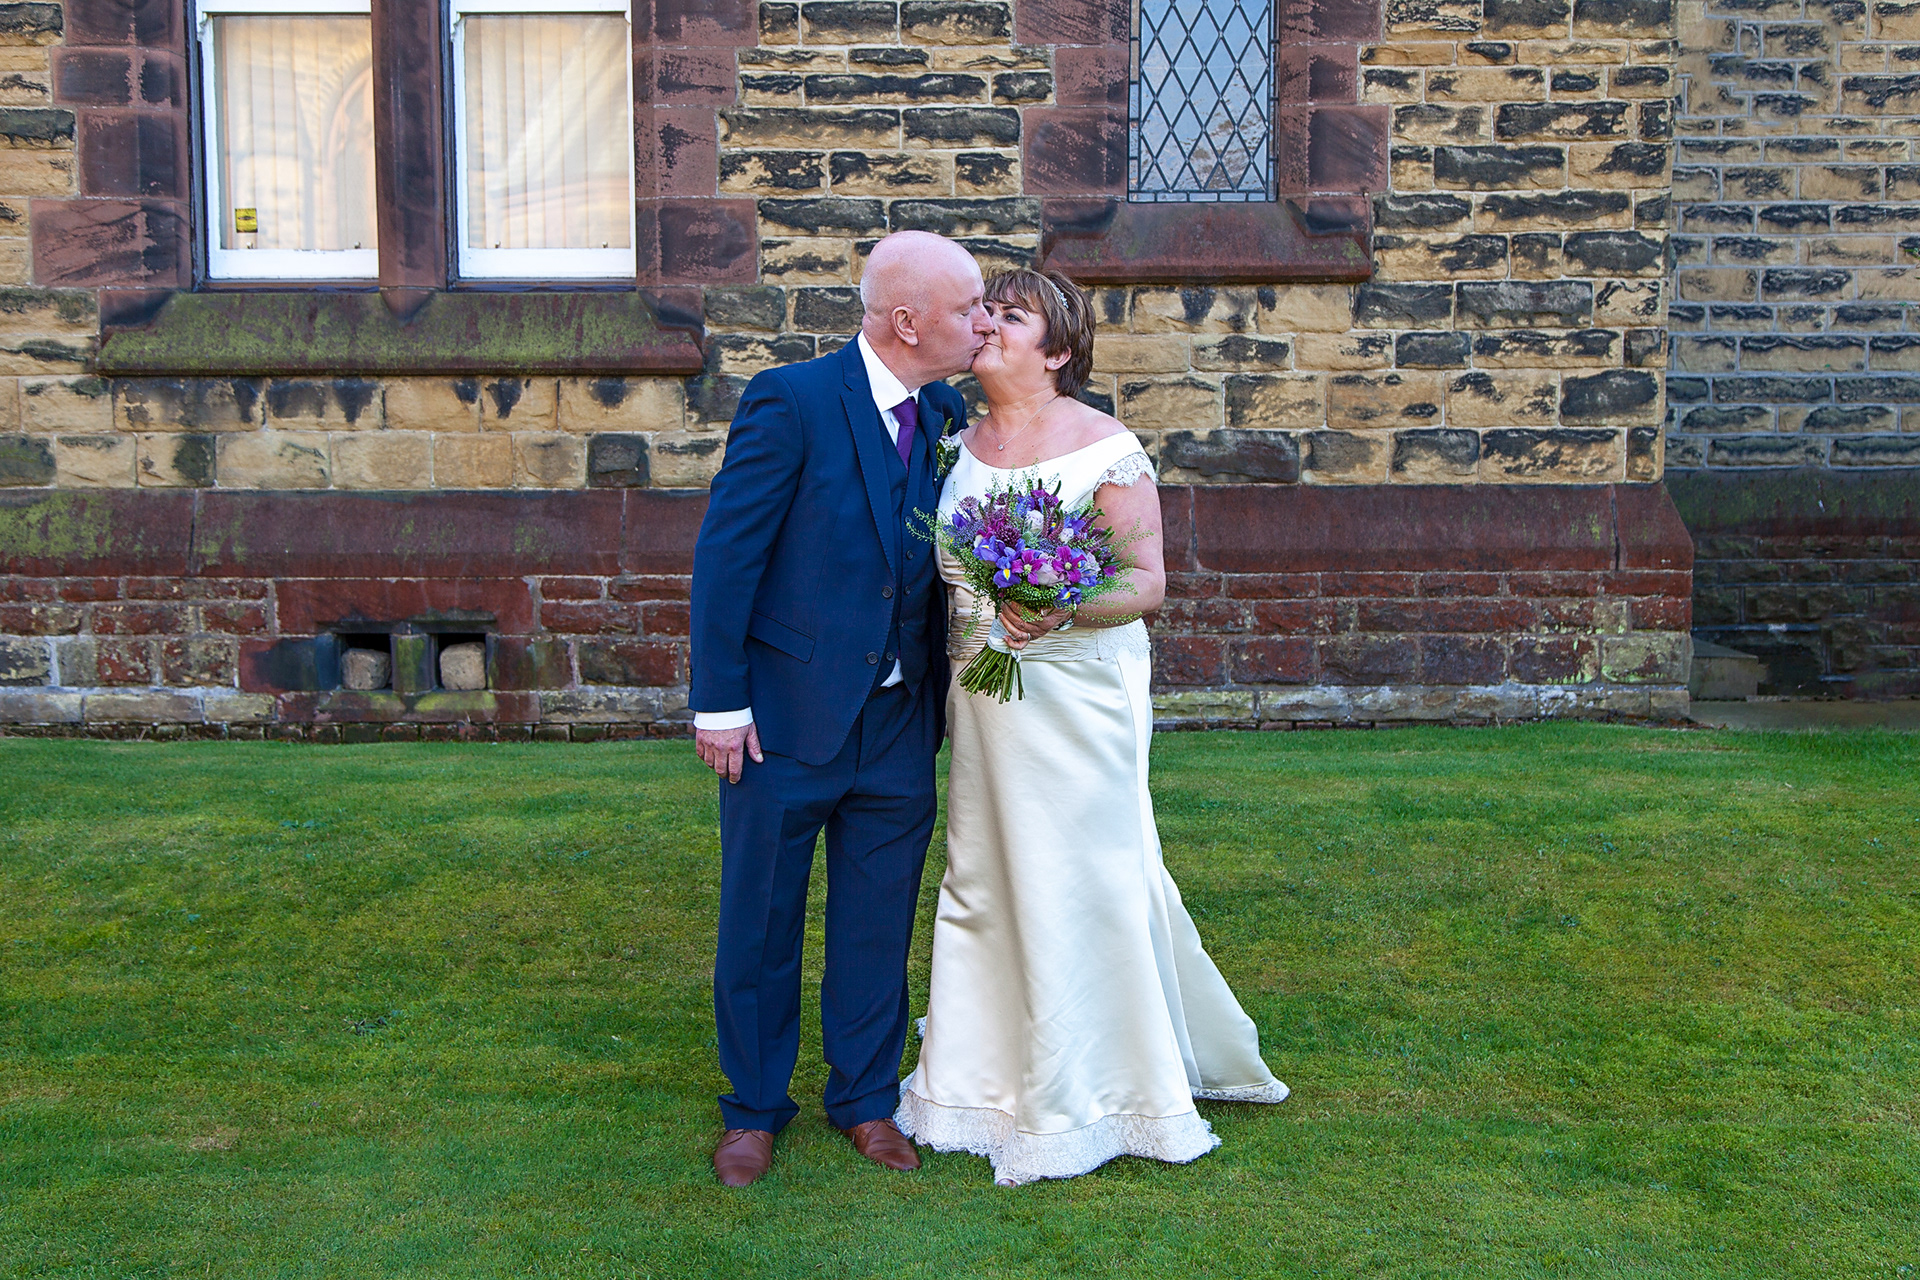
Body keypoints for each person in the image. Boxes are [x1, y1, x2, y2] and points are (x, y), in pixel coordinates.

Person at [894, 268, 1289, 1186]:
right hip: (983, 695)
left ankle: (1110, 1089)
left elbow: (1145, 585)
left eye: (1012, 315)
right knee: (985, 873)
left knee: (1089, 876)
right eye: (984, 310)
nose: (988, 323)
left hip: (1079, 693)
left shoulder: (1106, 446)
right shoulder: (952, 443)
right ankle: (972, 1082)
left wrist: (1058, 604)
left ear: (1059, 350)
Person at [689, 230, 991, 1188]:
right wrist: (719, 703)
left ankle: (864, 1100)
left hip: (899, 725)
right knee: (761, 920)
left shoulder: (945, 411)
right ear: (907, 322)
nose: (983, 323)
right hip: (784, 718)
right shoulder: (792, 400)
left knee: (877, 919)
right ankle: (752, 1109)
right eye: (968, 307)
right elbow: (727, 559)